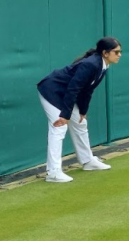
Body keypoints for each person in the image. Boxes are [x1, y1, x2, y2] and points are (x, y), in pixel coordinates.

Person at [36, 37, 122, 183]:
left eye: (120, 52)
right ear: (105, 53)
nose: (119, 55)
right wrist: (65, 115)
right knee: (59, 126)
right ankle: (53, 172)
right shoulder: (91, 64)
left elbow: (87, 90)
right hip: (51, 90)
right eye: (116, 52)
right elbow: (73, 88)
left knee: (80, 123)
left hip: (65, 93)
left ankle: (88, 161)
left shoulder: (103, 65)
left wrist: (82, 111)